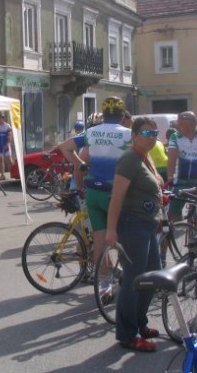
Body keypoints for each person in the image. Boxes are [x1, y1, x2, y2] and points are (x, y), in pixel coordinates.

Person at [106, 117, 163, 353]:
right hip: (132, 225)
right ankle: (128, 333)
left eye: (154, 133)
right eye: (146, 133)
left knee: (152, 276)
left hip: (147, 224)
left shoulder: (145, 156)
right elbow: (117, 196)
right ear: (134, 134)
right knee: (133, 280)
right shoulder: (129, 158)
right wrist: (111, 230)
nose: (152, 137)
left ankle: (140, 322)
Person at [57, 97, 132, 267]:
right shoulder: (128, 134)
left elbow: (64, 147)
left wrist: (81, 166)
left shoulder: (92, 132)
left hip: (93, 191)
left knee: (99, 243)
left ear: (104, 115)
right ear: (122, 116)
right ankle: (125, 281)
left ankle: (104, 285)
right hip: (116, 193)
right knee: (125, 240)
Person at [166, 111, 197, 221]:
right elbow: (171, 160)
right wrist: (170, 179)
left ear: (191, 124)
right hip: (181, 181)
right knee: (171, 216)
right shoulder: (175, 137)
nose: (177, 126)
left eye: (180, 124)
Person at [0, 113, 13, 180]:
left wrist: (7, 144)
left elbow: (10, 136)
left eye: (0, 118)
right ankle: (2, 175)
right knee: (0, 160)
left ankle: (13, 173)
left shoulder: (7, 126)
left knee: (9, 160)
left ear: (3, 118)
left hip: (6, 145)